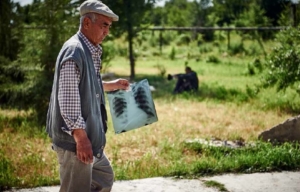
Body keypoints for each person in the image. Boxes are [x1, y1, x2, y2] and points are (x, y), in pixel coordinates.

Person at [46, 1, 129, 191]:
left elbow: (84, 85)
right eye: (104, 25)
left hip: (88, 139)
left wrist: (113, 85)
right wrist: (81, 139)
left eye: (109, 26)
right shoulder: (75, 50)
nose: (107, 31)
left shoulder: (88, 49)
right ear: (87, 23)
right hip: (75, 143)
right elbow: (68, 98)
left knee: (103, 177)